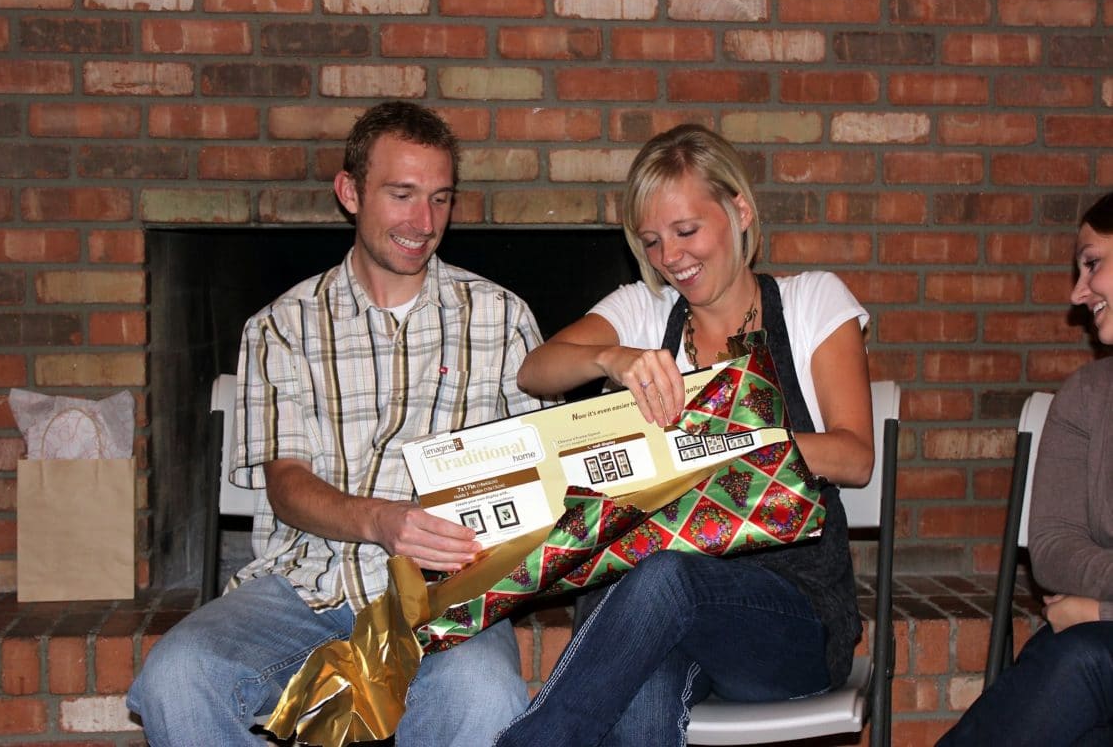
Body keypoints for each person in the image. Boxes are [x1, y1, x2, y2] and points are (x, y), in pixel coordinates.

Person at [126, 101, 549, 746]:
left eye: (440, 198)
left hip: (447, 593)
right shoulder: (281, 326)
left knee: (485, 693)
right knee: (177, 677)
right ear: (350, 192)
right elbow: (285, 483)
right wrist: (382, 520)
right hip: (304, 584)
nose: (424, 222)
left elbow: (539, 476)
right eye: (402, 195)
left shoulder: (502, 316)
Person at [494, 124, 874, 747]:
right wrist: (613, 359)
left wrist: (717, 442)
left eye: (686, 230)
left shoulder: (811, 302)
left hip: (787, 618)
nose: (670, 256)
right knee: (644, 692)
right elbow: (536, 371)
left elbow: (855, 456)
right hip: (654, 617)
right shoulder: (646, 311)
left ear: (740, 210)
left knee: (666, 575)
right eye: (652, 240)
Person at [937, 191, 1113, 746]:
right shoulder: (1088, 395)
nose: (1077, 292)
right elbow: (1055, 548)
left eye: (1093, 263)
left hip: (1093, 646)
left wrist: (1101, 608)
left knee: (1080, 657)